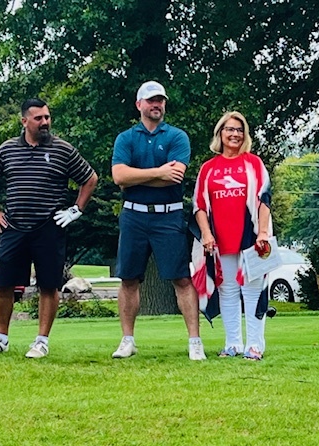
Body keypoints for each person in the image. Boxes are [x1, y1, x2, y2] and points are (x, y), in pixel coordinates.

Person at [0, 98, 98, 359]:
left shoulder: (62, 149)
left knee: (48, 285)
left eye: (47, 117)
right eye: (38, 118)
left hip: (49, 227)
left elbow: (90, 178)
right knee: (4, 283)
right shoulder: (7, 149)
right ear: (24, 121)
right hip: (14, 226)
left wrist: (76, 209)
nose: (45, 122)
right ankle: (0, 339)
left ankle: (41, 342)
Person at [111, 81, 206, 361]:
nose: (157, 105)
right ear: (139, 104)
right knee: (129, 278)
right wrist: (158, 172)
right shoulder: (126, 138)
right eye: (151, 100)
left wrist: (137, 175)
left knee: (181, 278)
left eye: (161, 100)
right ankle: (127, 340)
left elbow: (175, 176)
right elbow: (119, 177)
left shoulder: (177, 136)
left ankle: (195, 342)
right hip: (134, 215)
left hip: (169, 215)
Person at [192, 111, 272, 361]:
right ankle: (233, 343)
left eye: (239, 130)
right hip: (220, 239)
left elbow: (264, 199)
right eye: (230, 129)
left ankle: (255, 345)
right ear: (220, 133)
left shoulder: (254, 163)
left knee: (253, 289)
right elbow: (199, 205)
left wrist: (263, 232)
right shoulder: (208, 168)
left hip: (251, 237)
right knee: (227, 290)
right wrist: (206, 234)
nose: (235, 134)